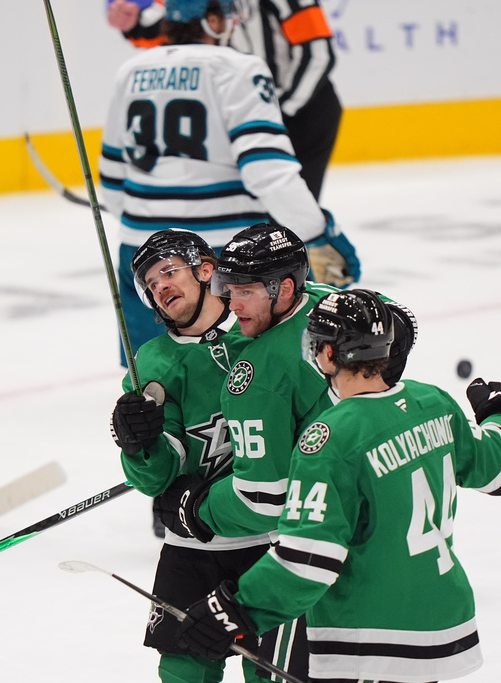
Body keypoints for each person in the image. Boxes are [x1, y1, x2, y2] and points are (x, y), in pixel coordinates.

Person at [175, 289, 501, 682]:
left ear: (326, 355)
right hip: (442, 626)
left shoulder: (329, 439)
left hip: (366, 638)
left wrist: (234, 609)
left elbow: (309, 560)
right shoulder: (435, 404)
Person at [150, 223, 414, 679]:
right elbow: (401, 320)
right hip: (386, 516)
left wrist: (198, 509)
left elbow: (264, 500)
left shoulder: (253, 377)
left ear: (285, 287)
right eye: (228, 291)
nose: (233, 306)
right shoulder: (331, 304)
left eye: (246, 292)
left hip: (320, 537)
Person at [100, 0, 358, 366]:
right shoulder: (239, 68)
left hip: (138, 253)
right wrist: (318, 233)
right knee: (240, 383)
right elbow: (268, 172)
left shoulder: (131, 71)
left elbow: (111, 184)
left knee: (152, 384)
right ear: (214, 19)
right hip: (218, 256)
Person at [110, 228, 291, 683]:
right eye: (152, 284)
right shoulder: (153, 363)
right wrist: (139, 445)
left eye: (169, 271)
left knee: (272, 671)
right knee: (183, 670)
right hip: (193, 546)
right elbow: (154, 478)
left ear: (206, 270)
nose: (161, 286)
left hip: (270, 539)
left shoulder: (259, 328)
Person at [106, 0, 342, 201]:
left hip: (303, 114)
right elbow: (163, 28)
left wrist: (275, 115)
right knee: (246, 210)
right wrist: (132, 23)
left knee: (289, 206)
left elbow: (318, 55)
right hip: (241, 116)